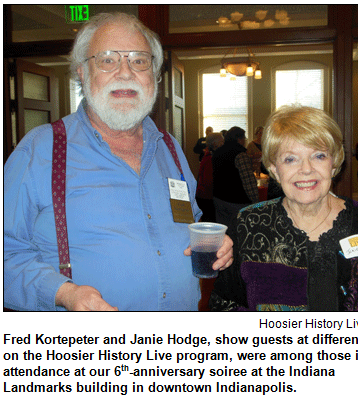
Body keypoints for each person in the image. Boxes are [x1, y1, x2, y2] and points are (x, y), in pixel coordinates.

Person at [4, 12, 233, 312]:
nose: (125, 73)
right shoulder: (41, 149)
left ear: (154, 74)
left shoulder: (170, 148)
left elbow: (187, 222)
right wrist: (64, 293)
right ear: (82, 73)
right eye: (108, 60)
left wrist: (215, 244)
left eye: (139, 60)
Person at [210, 106, 358, 312]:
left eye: (319, 156)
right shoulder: (247, 224)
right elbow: (225, 305)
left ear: (334, 163)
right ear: (274, 168)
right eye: (290, 159)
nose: (307, 169)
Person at [212, 126, 259, 228]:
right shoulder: (240, 155)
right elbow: (248, 181)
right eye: (244, 138)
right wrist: (255, 201)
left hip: (219, 197)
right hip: (237, 201)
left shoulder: (217, 152)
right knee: (240, 232)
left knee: (223, 231)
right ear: (239, 139)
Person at [196, 133, 224, 223]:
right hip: (207, 198)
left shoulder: (208, 156)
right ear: (215, 144)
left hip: (207, 196)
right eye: (222, 142)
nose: (224, 144)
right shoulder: (210, 158)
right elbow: (209, 182)